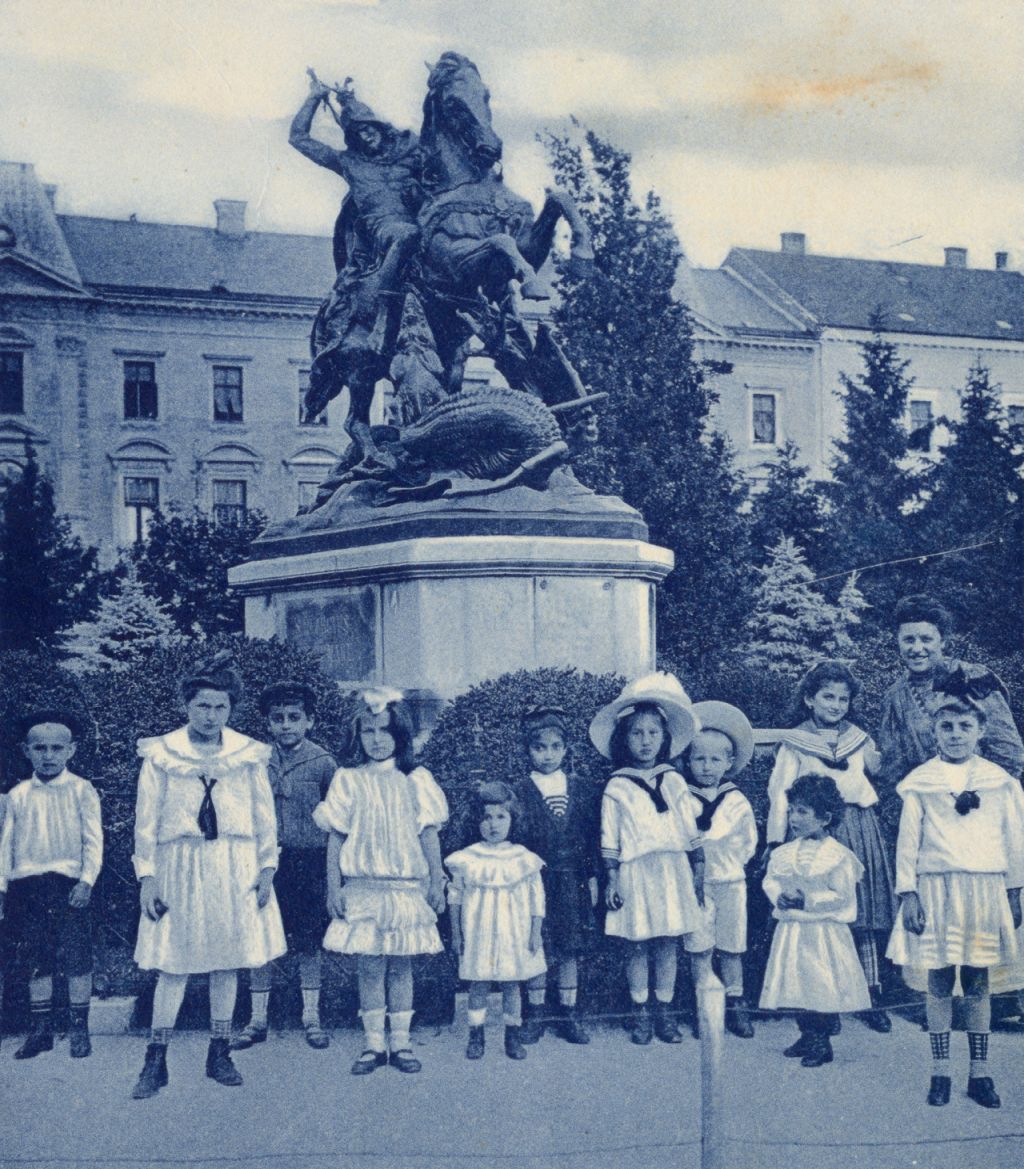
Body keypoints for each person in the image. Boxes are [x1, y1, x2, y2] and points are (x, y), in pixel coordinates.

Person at [130, 653, 286, 1100]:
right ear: (186, 706)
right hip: (179, 862)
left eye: (219, 707)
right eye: (202, 706)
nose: (210, 715)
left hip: (232, 863)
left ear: (230, 709)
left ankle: (220, 1052)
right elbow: (145, 821)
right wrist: (147, 877)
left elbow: (264, 816)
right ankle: (155, 1060)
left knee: (226, 959)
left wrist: (266, 868)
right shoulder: (162, 754)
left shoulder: (248, 754)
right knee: (173, 963)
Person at [886, 695, 1024, 1108]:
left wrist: (1015, 891)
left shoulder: (1000, 782)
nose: (957, 734)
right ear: (935, 732)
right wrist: (908, 893)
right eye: (947, 727)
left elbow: (1014, 840)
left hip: (984, 890)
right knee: (940, 979)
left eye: (965, 726)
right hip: (936, 889)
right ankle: (940, 1071)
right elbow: (907, 842)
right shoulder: (921, 783)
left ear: (981, 730)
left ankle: (980, 1074)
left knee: (979, 980)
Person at [313, 687, 447, 1075]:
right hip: (363, 887)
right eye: (368, 731)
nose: (376, 739)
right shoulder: (348, 779)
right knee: (370, 966)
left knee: (401, 966)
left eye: (384, 731)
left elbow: (428, 833)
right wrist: (333, 886)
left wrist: (436, 879)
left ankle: (401, 1043)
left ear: (399, 736)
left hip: (404, 887)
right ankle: (374, 1044)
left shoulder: (416, 779)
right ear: (358, 736)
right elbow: (336, 835)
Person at [766, 661, 896, 1031]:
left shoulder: (858, 738)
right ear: (810, 699)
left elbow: (883, 769)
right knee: (819, 915)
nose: (836, 705)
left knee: (863, 912)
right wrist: (777, 840)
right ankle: (825, 1005)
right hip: (814, 831)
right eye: (828, 697)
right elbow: (780, 794)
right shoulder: (795, 742)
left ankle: (872, 995)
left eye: (843, 698)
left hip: (858, 824)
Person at [590, 672, 708, 1045]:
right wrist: (612, 878)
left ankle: (665, 1011)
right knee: (637, 943)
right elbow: (610, 837)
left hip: (671, 869)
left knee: (668, 942)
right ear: (624, 739)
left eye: (653, 733)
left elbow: (690, 828)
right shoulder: (617, 785)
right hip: (635, 871)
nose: (645, 741)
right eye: (637, 734)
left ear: (664, 737)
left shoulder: (673, 780)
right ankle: (639, 1010)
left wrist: (698, 868)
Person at [232, 682, 337, 1052]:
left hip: (307, 860)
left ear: (309, 721)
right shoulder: (255, 760)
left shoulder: (323, 762)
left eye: (295, 717)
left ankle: (312, 1016)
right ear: (267, 723)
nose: (286, 725)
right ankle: (257, 1018)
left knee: (308, 941)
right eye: (278, 719)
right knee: (261, 936)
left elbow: (337, 818)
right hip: (265, 862)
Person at [0, 710, 102, 1060]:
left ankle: (79, 1028)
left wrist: (87, 880)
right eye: (39, 748)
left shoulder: (82, 790)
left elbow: (93, 841)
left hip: (68, 884)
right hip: (27, 886)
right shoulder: (17, 795)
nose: (48, 755)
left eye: (56, 748)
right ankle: (41, 1030)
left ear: (71, 750)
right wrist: (2, 887)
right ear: (26, 751)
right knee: (35, 956)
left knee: (77, 955)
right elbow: (5, 846)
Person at [761, 773, 871, 1068]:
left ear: (824, 818)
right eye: (791, 810)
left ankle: (822, 1039)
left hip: (823, 931)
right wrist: (780, 896)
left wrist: (807, 900)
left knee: (820, 985)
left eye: (802, 812)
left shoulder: (839, 857)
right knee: (796, 985)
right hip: (793, 929)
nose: (793, 818)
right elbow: (771, 881)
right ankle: (806, 1033)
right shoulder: (785, 853)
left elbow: (842, 895)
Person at [513, 704, 598, 1046]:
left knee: (569, 948)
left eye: (555, 747)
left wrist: (592, 878)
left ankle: (569, 1013)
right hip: (536, 881)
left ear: (565, 749)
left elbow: (592, 836)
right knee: (535, 945)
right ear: (527, 750)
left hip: (572, 879)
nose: (547, 755)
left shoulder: (581, 787)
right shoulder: (519, 790)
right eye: (539, 747)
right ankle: (536, 1013)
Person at [878, 594, 1024, 786]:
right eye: (909, 640)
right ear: (898, 642)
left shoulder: (972, 677)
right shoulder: (895, 696)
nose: (917, 648)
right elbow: (893, 769)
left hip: (985, 798)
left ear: (943, 641)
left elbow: (1010, 753)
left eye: (926, 639)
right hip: (930, 802)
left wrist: (980, 796)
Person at [446, 782, 546, 1061]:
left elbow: (537, 899)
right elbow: (455, 897)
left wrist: (535, 932)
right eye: (486, 817)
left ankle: (512, 1036)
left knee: (512, 984)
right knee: (478, 984)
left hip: (513, 931)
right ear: (477, 821)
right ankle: (475, 1036)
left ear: (513, 819)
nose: (493, 824)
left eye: (501, 817)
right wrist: (456, 934)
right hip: (478, 930)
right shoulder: (466, 859)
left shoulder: (524, 859)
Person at [681, 702, 758, 1039]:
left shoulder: (736, 799)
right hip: (696, 884)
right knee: (700, 947)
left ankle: (735, 1003)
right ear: (687, 761)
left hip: (730, 881)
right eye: (699, 759)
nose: (707, 767)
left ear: (729, 763)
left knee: (731, 946)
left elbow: (747, 841)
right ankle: (704, 1009)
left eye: (715, 760)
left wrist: (731, 863)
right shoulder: (683, 796)